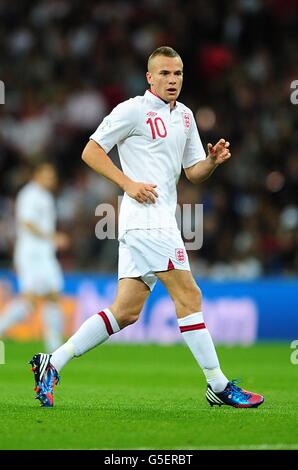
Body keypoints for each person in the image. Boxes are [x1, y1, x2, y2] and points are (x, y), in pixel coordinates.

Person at [29, 47, 264, 408]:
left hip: (159, 219)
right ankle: (217, 385)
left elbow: (193, 172)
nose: (173, 80)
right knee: (190, 296)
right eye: (166, 74)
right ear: (150, 78)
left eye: (179, 74)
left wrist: (213, 162)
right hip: (145, 220)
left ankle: (51, 362)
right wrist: (127, 183)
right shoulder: (132, 110)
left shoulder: (185, 117)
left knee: (126, 311)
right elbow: (91, 151)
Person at [0, 162, 68, 352]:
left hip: (45, 254)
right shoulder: (29, 194)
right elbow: (27, 223)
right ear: (36, 176)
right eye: (47, 176)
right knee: (28, 302)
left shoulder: (45, 196)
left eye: (52, 177)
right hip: (31, 254)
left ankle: (54, 347)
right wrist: (52, 237)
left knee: (53, 295)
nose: (51, 180)